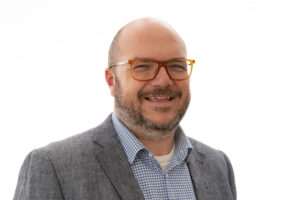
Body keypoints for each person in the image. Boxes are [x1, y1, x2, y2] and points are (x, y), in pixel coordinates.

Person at [14, 17, 236, 200]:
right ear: (111, 81)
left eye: (176, 66)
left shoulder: (218, 166)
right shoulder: (53, 167)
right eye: (142, 67)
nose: (162, 81)